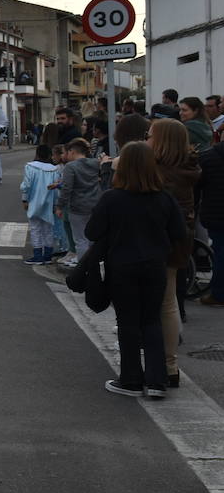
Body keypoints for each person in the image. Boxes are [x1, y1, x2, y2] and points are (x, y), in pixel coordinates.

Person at [84, 141, 187, 398]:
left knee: (128, 322)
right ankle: (156, 381)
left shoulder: (112, 198)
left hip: (122, 266)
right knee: (151, 320)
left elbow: (92, 232)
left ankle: (130, 379)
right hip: (154, 266)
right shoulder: (164, 198)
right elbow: (179, 233)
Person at [147, 118, 200, 389]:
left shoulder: (158, 171)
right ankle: (170, 365)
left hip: (155, 241)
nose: (147, 140)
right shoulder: (187, 167)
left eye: (150, 136)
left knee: (153, 304)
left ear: (162, 141)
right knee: (168, 301)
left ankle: (159, 365)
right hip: (180, 239)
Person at [56, 138, 103, 266]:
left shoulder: (70, 167)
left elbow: (67, 188)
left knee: (80, 239)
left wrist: (60, 206)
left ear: (72, 151)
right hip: (95, 204)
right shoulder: (95, 163)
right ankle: (95, 265)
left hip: (77, 206)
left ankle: (84, 268)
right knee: (92, 238)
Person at [196, 137, 224, 306]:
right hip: (215, 213)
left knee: (220, 252)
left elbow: (197, 187)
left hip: (215, 214)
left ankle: (219, 294)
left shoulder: (207, 157)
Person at [20, 145, 60, 264]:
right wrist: (56, 204)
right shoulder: (54, 169)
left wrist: (24, 200)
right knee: (48, 229)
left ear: (37, 154)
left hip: (34, 201)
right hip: (49, 202)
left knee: (35, 229)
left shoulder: (30, 167)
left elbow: (26, 186)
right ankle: (47, 255)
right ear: (49, 155)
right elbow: (57, 189)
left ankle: (37, 255)